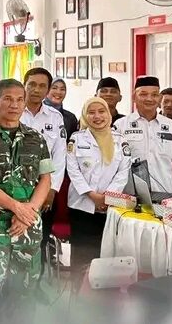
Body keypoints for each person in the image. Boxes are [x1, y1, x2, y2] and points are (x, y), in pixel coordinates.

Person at [0, 79, 53, 323]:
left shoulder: (36, 138)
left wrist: (28, 212)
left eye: (19, 100)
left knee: (25, 289)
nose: (14, 105)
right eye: (8, 99)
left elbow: (45, 179)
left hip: (28, 227)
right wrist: (16, 207)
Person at [66, 98, 131, 285]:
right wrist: (92, 195)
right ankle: (78, 292)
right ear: (85, 115)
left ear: (108, 114)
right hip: (81, 205)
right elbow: (73, 171)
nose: (97, 116)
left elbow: (123, 172)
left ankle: (102, 295)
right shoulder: (76, 139)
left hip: (110, 207)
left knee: (105, 254)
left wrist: (107, 197)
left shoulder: (120, 140)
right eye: (91, 112)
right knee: (81, 255)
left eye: (101, 111)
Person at [21, 67, 66, 283]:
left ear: (48, 90)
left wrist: (52, 189)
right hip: (15, 189)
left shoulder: (55, 117)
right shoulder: (13, 111)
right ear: (24, 85)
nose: (36, 90)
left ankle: (34, 285)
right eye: (32, 84)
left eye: (42, 86)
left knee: (39, 239)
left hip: (45, 190)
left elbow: (60, 155)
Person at [114, 76, 172, 193]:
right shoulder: (120, 125)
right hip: (129, 194)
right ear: (134, 97)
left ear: (159, 98)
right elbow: (112, 162)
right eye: (143, 94)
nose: (149, 99)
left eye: (154, 95)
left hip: (165, 193)